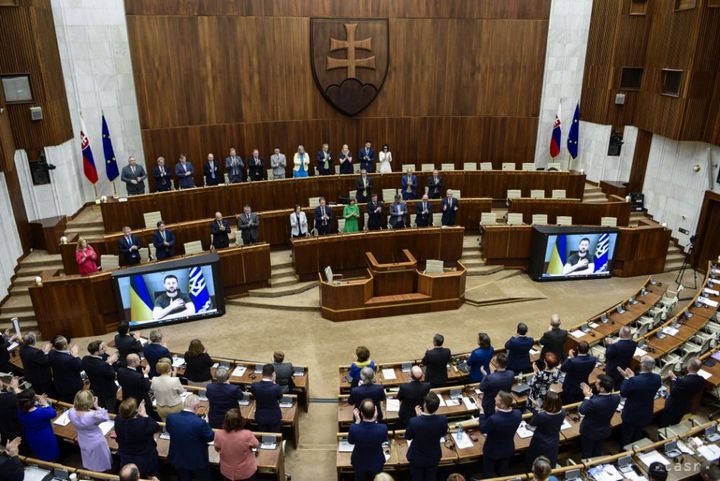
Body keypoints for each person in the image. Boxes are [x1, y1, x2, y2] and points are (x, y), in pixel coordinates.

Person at [166, 394, 215, 481]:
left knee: (183, 478)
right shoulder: (200, 423)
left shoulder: (171, 418)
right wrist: (206, 423)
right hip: (197, 459)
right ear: (196, 407)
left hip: (178, 456)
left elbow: (169, 430)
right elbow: (210, 437)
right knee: (203, 477)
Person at [619, 356, 661, 447]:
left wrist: (627, 378)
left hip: (631, 414)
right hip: (646, 411)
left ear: (642, 365)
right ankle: (636, 450)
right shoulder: (658, 378)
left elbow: (623, 393)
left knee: (626, 436)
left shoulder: (634, 381)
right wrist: (632, 378)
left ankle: (624, 453)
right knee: (637, 433)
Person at [405, 392, 449, 481]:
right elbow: (443, 433)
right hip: (433, 456)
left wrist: (418, 418)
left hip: (417, 458)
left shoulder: (414, 422)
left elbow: (408, 436)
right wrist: (420, 418)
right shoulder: (443, 420)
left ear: (424, 405)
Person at [478, 390, 522, 477]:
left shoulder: (494, 419)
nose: (494, 398)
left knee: (488, 473)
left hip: (492, 450)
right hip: (507, 449)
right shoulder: (518, 414)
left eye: (497, 399)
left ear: (502, 405)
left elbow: (483, 429)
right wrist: (498, 412)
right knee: (503, 472)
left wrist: (481, 412)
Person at [114, 398, 160, 478]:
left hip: (125, 454)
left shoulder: (118, 419)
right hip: (143, 456)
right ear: (135, 411)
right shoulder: (142, 423)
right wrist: (145, 415)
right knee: (150, 475)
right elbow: (155, 427)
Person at [68, 390, 113, 472]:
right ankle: (103, 473)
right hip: (96, 442)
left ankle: (92, 470)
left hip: (83, 439)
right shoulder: (92, 415)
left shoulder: (71, 412)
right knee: (101, 460)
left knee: (90, 459)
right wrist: (97, 406)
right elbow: (106, 417)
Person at [578, 374, 620, 459]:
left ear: (602, 388)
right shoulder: (616, 398)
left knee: (587, 453)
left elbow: (582, 410)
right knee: (597, 451)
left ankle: (586, 468)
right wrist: (591, 395)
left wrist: (586, 397)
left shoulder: (593, 403)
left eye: (597, 383)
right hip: (604, 430)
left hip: (589, 431)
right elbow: (601, 400)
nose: (595, 385)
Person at [348, 398, 388, 481]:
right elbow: (384, 440)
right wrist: (375, 419)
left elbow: (350, 441)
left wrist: (357, 422)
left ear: (361, 414)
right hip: (376, 462)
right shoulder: (383, 428)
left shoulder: (354, 428)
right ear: (375, 412)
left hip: (359, 462)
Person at [214, 408, 259, 481]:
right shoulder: (247, 434)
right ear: (240, 421)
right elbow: (256, 445)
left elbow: (217, 448)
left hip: (227, 472)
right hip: (245, 472)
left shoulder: (218, 434)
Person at [525, 391, 565, 469]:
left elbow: (532, 423)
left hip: (540, 441)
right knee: (550, 458)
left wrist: (536, 408)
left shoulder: (542, 416)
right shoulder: (563, 412)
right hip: (554, 439)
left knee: (536, 460)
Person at [16, 389, 59, 461]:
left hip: (31, 436)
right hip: (45, 437)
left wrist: (38, 403)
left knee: (39, 453)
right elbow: (52, 413)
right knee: (50, 455)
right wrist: (45, 403)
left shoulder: (20, 411)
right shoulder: (40, 412)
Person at [662, 357, 706, 426]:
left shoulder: (682, 382)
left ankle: (663, 428)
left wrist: (673, 379)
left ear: (689, 367)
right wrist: (675, 378)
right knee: (676, 421)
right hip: (685, 404)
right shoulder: (701, 380)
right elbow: (684, 384)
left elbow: (673, 391)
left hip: (673, 405)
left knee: (666, 420)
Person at [81, 340, 119, 412]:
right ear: (96, 352)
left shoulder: (85, 359)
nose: (105, 349)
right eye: (102, 348)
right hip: (107, 391)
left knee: (100, 405)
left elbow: (99, 366)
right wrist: (110, 362)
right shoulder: (103, 365)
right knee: (110, 408)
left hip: (95, 388)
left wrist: (107, 362)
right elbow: (112, 375)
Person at [48, 336, 83, 403]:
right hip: (72, 386)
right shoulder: (69, 359)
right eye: (67, 343)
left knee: (65, 399)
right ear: (64, 346)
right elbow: (80, 367)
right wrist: (75, 354)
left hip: (59, 383)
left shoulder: (51, 352)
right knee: (74, 401)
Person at [251, 364, 283, 432]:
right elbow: (280, 397)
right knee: (274, 436)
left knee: (263, 436)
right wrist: (273, 381)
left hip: (260, 416)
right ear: (273, 374)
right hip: (274, 417)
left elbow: (254, 396)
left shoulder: (254, 386)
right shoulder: (276, 387)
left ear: (262, 373)